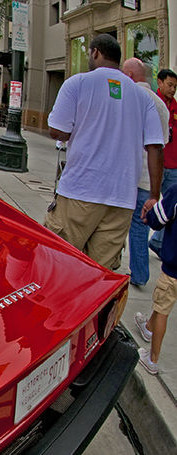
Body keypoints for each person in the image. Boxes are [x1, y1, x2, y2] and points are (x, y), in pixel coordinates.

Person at [44, 34, 164, 271]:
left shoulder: (77, 83)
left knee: (56, 263)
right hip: (121, 199)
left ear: (95, 52)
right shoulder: (144, 97)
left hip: (80, 190)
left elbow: (57, 131)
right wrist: (154, 195)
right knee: (99, 274)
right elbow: (155, 149)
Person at [122, 58, 170, 286]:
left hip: (127, 174)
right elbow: (162, 143)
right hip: (147, 178)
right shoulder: (160, 104)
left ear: (130, 74)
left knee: (114, 224)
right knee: (140, 228)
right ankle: (139, 274)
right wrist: (155, 191)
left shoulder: (128, 97)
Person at [134, 181, 177, 374]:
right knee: (163, 304)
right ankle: (148, 325)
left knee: (162, 309)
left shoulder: (176, 192)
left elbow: (156, 220)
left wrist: (149, 211)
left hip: (173, 269)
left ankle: (152, 359)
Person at [149, 68, 177, 258]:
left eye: (175, 86)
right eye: (170, 85)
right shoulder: (153, 103)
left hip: (173, 165)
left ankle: (158, 241)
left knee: (170, 207)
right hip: (155, 165)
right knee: (150, 205)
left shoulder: (176, 108)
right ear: (159, 83)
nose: (173, 89)